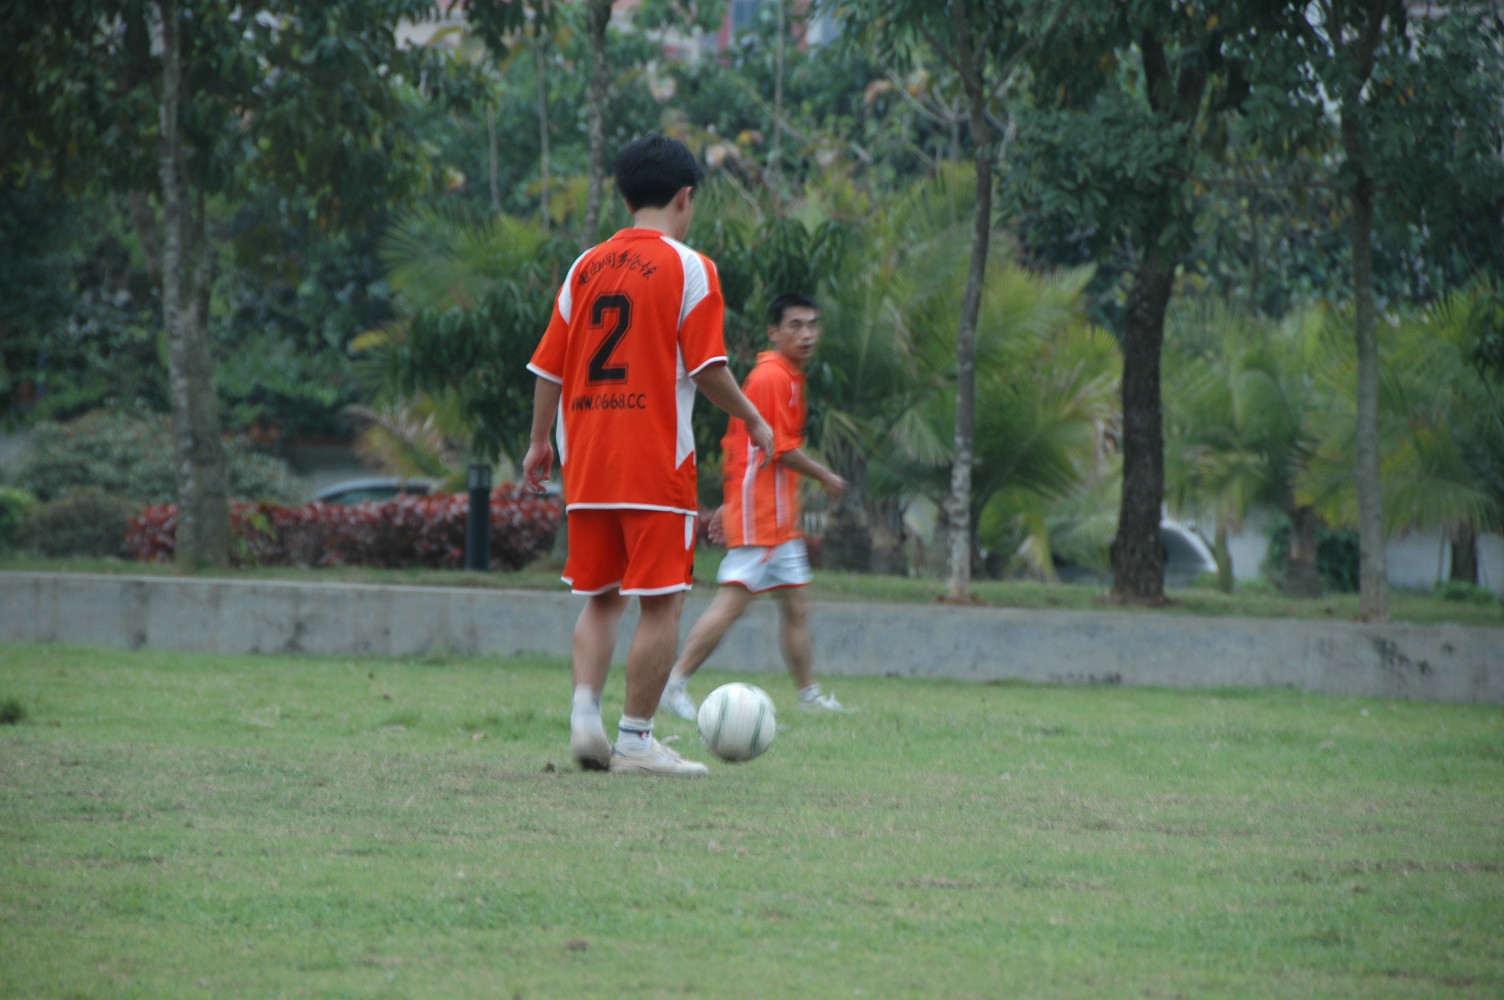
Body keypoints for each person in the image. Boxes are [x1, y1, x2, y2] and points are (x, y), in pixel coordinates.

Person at [522, 133, 775, 778]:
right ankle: (635, 740)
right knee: (663, 602)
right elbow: (710, 368)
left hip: (588, 464)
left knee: (601, 596)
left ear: (627, 197)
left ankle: (585, 715)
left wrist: (540, 441)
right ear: (685, 198)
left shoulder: (585, 266)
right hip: (655, 464)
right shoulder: (690, 268)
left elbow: (548, 367)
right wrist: (752, 417)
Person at [659, 293, 850, 721]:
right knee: (733, 603)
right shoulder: (771, 377)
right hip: (762, 516)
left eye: (812, 325)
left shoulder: (789, 376)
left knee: (796, 606)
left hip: (776, 518)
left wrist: (729, 504)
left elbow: (742, 444)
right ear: (774, 332)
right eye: (796, 325)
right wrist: (825, 475)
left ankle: (809, 696)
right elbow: (778, 449)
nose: (806, 334)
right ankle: (674, 684)